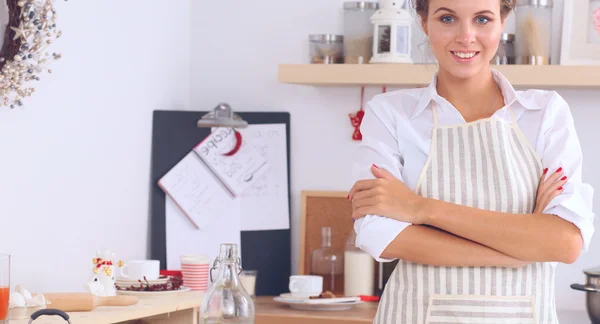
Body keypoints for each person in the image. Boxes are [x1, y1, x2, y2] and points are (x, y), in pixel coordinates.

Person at [347, 0, 595, 323]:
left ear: (503, 21)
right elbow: (380, 234)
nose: (466, 36)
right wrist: (518, 252)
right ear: (424, 22)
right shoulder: (390, 115)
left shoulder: (545, 114)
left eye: (482, 19)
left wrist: (421, 209)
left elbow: (565, 242)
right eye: (447, 18)